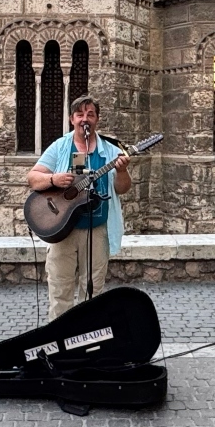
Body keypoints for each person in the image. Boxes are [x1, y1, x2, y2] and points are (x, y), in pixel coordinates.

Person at [28, 95, 129, 318]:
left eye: (90, 114)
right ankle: (57, 342)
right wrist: (53, 179)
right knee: (60, 290)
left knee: (92, 292)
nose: (85, 119)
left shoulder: (111, 150)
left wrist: (121, 171)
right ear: (71, 119)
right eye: (80, 114)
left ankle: (86, 340)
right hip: (62, 229)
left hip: (97, 229)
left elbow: (122, 188)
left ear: (97, 120)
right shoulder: (60, 146)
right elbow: (33, 177)